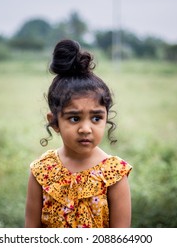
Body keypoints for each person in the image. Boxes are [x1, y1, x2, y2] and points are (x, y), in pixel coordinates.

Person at [25, 39, 132, 228]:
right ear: (54, 121)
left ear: (106, 118)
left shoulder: (114, 174)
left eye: (96, 118)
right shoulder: (42, 171)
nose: (85, 129)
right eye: (74, 118)